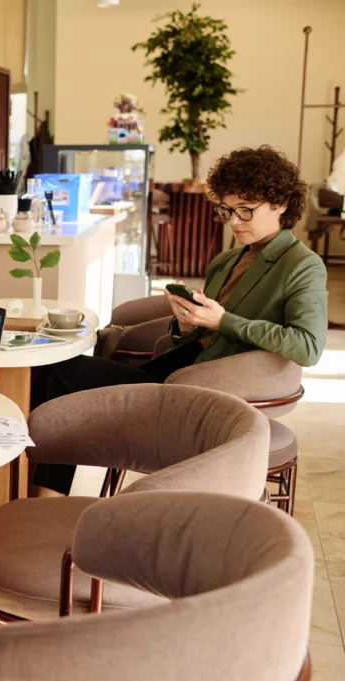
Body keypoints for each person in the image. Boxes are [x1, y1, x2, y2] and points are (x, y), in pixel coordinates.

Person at [30, 146, 328, 496]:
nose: (233, 221)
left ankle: (38, 498)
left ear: (280, 204)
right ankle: (36, 496)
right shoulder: (227, 260)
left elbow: (307, 347)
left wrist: (223, 321)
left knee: (59, 374)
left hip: (204, 392)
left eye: (245, 211)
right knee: (56, 373)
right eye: (227, 210)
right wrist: (186, 325)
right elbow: (198, 336)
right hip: (174, 371)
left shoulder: (301, 265)